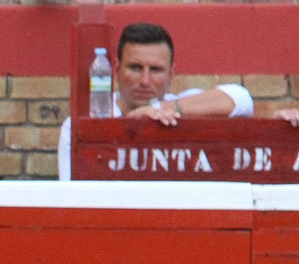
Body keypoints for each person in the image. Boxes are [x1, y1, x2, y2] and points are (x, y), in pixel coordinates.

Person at [59, 22, 253, 181]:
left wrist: (157, 108)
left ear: (171, 74)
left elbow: (241, 98)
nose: (145, 80)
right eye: (135, 68)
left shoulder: (181, 105)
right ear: (116, 70)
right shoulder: (81, 123)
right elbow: (69, 195)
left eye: (156, 70)